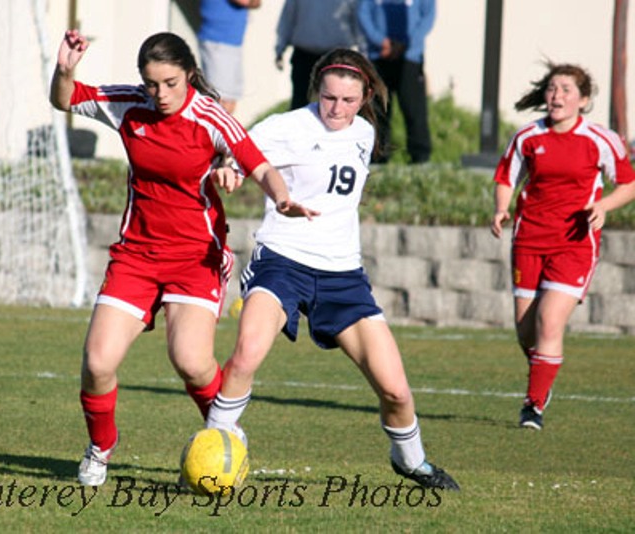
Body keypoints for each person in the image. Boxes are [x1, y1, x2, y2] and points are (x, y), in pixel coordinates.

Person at [49, 29, 315, 486]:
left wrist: (282, 198)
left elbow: (258, 164)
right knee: (97, 363)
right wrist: (65, 69)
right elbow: (65, 99)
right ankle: (100, 448)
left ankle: (224, 431)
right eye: (152, 84)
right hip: (136, 256)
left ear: (189, 74)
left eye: (170, 83)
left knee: (191, 361)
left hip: (195, 257)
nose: (161, 94)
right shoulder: (129, 105)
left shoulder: (209, 116)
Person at [205, 48, 460, 490]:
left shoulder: (363, 131)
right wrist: (228, 169)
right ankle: (214, 445)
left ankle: (413, 462)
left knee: (396, 391)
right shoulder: (287, 126)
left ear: (365, 98)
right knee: (246, 354)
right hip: (282, 261)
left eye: (348, 100)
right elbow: (237, 150)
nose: (337, 109)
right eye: (328, 98)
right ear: (315, 90)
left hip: (343, 276)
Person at [491, 61, 635, 431]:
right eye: (552, 88)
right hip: (529, 239)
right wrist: (502, 209)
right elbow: (506, 176)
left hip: (575, 243)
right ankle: (543, 375)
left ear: (583, 100)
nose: (556, 96)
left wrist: (603, 205)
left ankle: (533, 406)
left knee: (549, 321)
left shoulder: (600, 139)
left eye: (566, 90)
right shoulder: (528, 136)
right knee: (526, 332)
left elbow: (628, 184)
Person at [356, 0, 435, 163]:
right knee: (378, 108)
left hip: (410, 57)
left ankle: (420, 157)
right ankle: (378, 155)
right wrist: (380, 41)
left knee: (413, 108)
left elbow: (427, 17)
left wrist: (406, 43)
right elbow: (363, 14)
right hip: (379, 55)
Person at [275, 0, 364, 110]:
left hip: (338, 57)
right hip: (304, 54)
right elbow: (287, 19)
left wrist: (363, 52)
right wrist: (280, 49)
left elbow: (358, 21)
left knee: (338, 102)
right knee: (300, 102)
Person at [197, 0, 261, 115]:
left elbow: (256, 3)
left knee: (230, 98)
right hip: (218, 41)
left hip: (230, 42)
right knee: (220, 100)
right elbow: (245, 1)